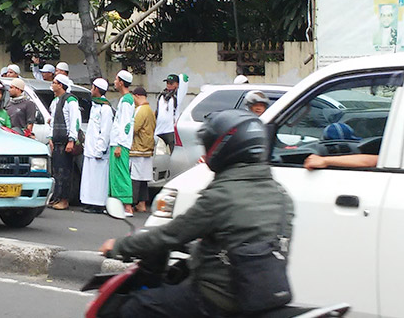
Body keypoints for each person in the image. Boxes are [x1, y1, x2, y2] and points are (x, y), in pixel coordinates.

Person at [99, 109, 294, 318]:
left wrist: (119, 246)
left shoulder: (222, 195)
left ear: (224, 148)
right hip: (256, 296)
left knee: (135, 307)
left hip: (217, 298)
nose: (205, 154)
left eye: (208, 146)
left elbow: (171, 235)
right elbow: (245, 239)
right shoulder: (280, 194)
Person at [80, 78, 113, 214]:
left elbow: (105, 131)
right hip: (90, 148)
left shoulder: (105, 108)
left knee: (99, 179)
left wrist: (99, 149)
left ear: (97, 89)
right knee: (90, 178)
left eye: (93, 87)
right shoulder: (95, 105)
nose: (91, 90)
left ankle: (98, 204)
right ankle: (90, 202)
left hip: (98, 150)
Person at [48, 74, 81, 210]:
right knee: (56, 171)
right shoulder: (55, 101)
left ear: (61, 85)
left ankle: (64, 199)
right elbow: (52, 121)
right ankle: (56, 197)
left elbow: (75, 121)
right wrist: (50, 137)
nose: (52, 84)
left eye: (54, 82)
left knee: (65, 171)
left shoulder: (70, 101)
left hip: (65, 141)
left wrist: (72, 139)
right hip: (56, 141)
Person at [109, 70, 135, 216]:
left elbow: (125, 125)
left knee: (122, 173)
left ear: (122, 82)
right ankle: (118, 205)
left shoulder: (126, 101)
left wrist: (119, 144)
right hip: (117, 142)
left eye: (116, 79)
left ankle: (127, 207)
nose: (114, 81)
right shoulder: (124, 99)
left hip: (121, 143)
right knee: (116, 174)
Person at [130, 87, 156, 213]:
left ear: (137, 96)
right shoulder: (150, 110)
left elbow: (133, 128)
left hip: (138, 148)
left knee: (135, 177)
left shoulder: (141, 110)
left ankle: (131, 202)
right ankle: (142, 203)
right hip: (147, 148)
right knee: (143, 179)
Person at [154, 73, 188, 153]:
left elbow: (184, 78)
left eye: (171, 83)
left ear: (177, 84)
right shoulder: (162, 96)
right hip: (159, 131)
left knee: (173, 155)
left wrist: (179, 82)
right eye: (167, 83)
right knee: (159, 157)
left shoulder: (177, 96)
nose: (168, 85)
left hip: (171, 131)